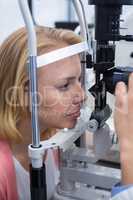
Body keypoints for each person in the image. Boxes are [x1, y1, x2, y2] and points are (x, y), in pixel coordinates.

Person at [0, 26, 85, 200]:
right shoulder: (2, 172)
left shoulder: (52, 138)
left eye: (79, 80)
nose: (81, 96)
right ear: (23, 93)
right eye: (64, 86)